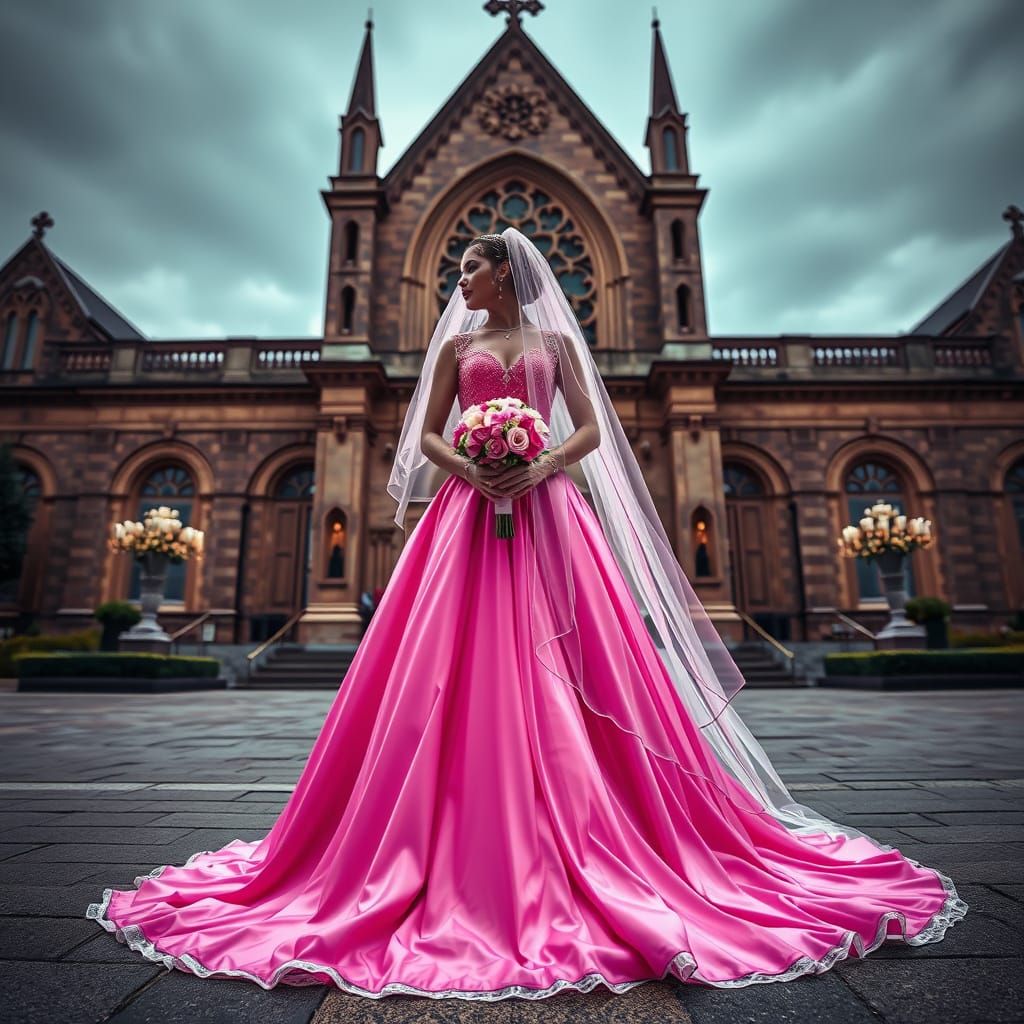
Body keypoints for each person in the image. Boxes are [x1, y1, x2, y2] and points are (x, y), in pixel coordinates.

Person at [86, 227, 968, 1001]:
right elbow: (428, 433)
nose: (458, 284)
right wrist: (470, 467)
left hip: (549, 509)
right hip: (466, 513)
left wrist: (540, 461)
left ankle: (600, 821)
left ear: (502, 273)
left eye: (468, 270)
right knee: (444, 661)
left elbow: (590, 429)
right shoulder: (456, 346)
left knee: (582, 658)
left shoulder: (555, 342)